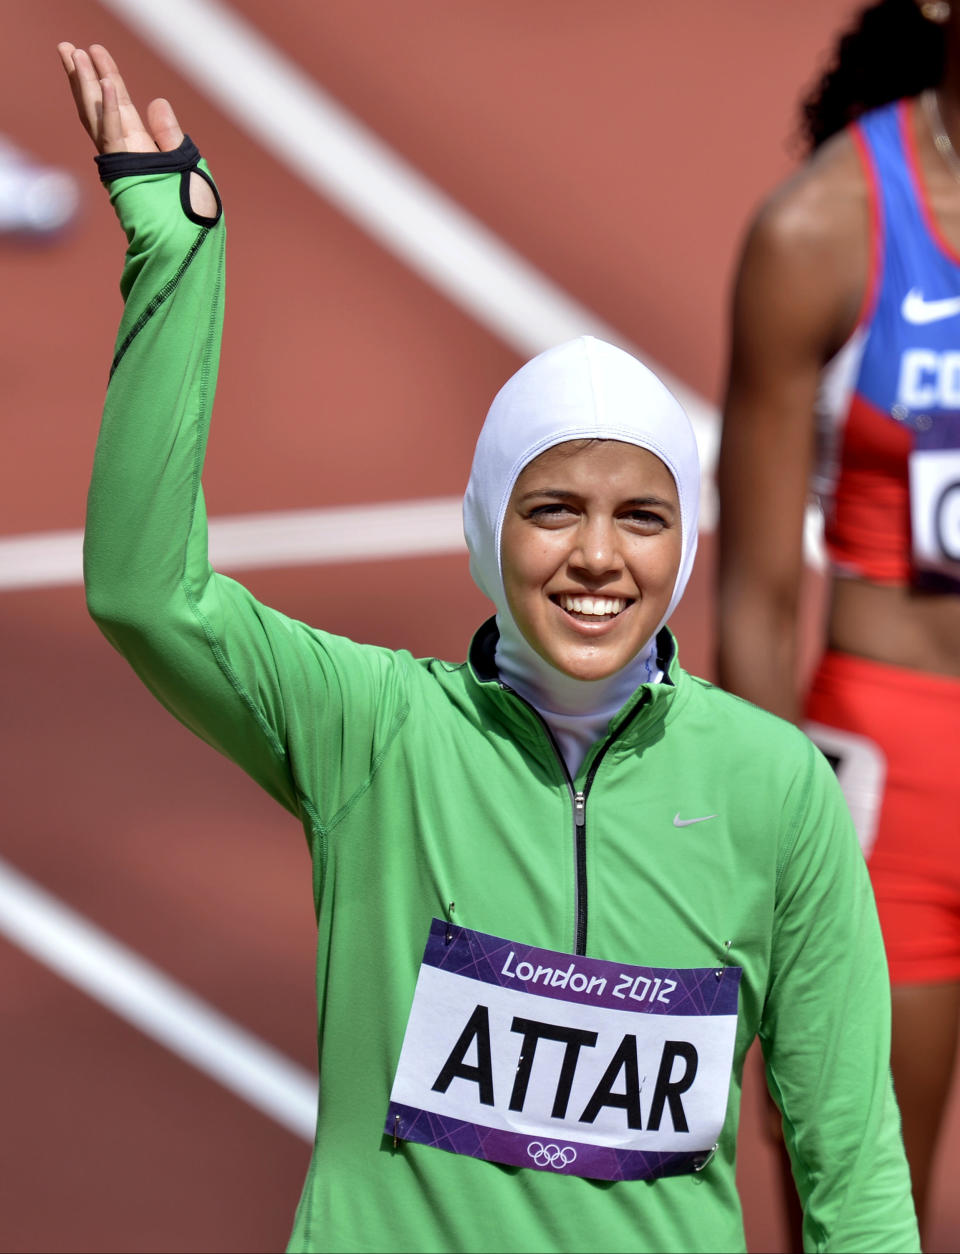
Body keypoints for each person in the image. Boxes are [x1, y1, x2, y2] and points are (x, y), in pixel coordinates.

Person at [59, 41, 920, 1254]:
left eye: (643, 517)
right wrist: (176, 256)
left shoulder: (776, 790)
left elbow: (854, 1174)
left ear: (682, 544)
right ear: (486, 530)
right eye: (553, 509)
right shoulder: (372, 732)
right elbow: (145, 592)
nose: (598, 559)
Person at [717, 0, 960, 1241]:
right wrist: (768, 858)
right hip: (896, 786)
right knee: (866, 1209)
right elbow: (754, 601)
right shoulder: (824, 231)